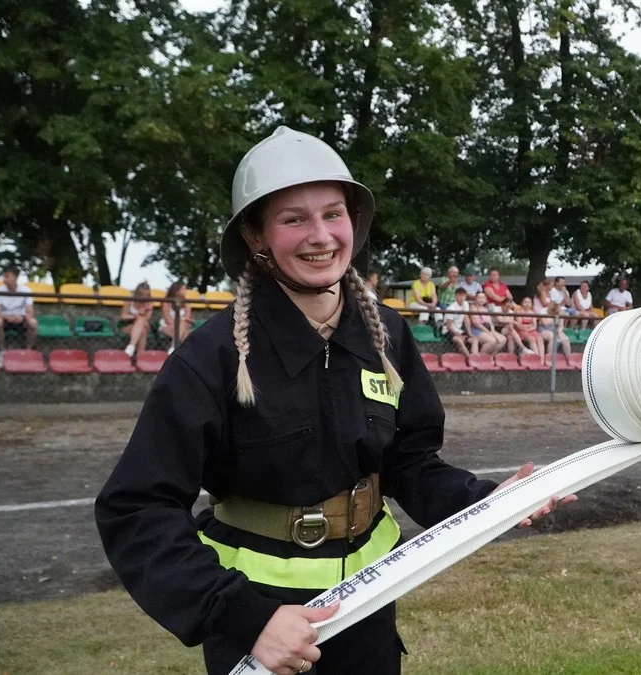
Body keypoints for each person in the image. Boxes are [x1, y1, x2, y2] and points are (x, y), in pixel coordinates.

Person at [94, 127, 571, 675]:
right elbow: (136, 509)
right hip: (263, 625)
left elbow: (409, 463)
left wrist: (486, 502)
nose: (321, 235)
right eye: (294, 218)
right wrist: (247, 618)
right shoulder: (212, 357)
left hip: (369, 609)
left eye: (333, 213)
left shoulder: (386, 334)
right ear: (256, 235)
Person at [0, 265, 38, 360]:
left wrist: (24, 317)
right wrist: (6, 317)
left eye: (7, 276)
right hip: (5, 319)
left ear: (16, 277)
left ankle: (29, 349)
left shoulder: (26, 290)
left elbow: (30, 310)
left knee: (33, 322)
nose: (4, 279)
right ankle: (2, 350)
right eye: (4, 276)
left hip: (21, 319)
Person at [120, 282, 155, 358]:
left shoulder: (149, 302)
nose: (144, 297)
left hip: (145, 324)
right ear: (137, 293)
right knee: (142, 331)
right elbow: (123, 316)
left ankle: (131, 345)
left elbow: (147, 318)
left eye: (147, 295)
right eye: (142, 295)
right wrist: (135, 316)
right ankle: (141, 356)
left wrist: (141, 315)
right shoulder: (130, 300)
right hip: (129, 325)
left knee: (141, 320)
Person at [159, 281, 195, 352]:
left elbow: (187, 320)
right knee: (185, 332)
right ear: (176, 291)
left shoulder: (186, 302)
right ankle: (182, 354)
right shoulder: (166, 302)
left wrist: (181, 322)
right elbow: (167, 319)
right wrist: (180, 322)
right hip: (167, 326)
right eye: (183, 289)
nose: (185, 291)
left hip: (182, 327)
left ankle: (173, 348)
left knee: (184, 331)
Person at [441, 286, 472, 357]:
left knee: (474, 340)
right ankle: (470, 358)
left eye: (463, 295)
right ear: (455, 296)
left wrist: (470, 333)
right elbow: (449, 326)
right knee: (459, 340)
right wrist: (458, 335)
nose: (461, 298)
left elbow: (466, 319)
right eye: (459, 295)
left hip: (459, 330)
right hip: (448, 331)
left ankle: (476, 358)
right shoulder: (451, 308)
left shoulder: (466, 304)